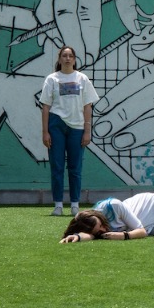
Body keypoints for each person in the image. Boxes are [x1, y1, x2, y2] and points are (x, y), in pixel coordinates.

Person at [39, 45, 100, 216]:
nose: (67, 59)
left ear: (74, 59)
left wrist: (87, 131)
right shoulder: (52, 79)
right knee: (57, 166)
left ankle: (74, 205)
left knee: (75, 168)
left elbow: (88, 106)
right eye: (64, 56)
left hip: (77, 127)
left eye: (70, 56)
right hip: (56, 125)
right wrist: (45, 132)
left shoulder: (82, 79)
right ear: (59, 59)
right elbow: (46, 107)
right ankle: (58, 205)